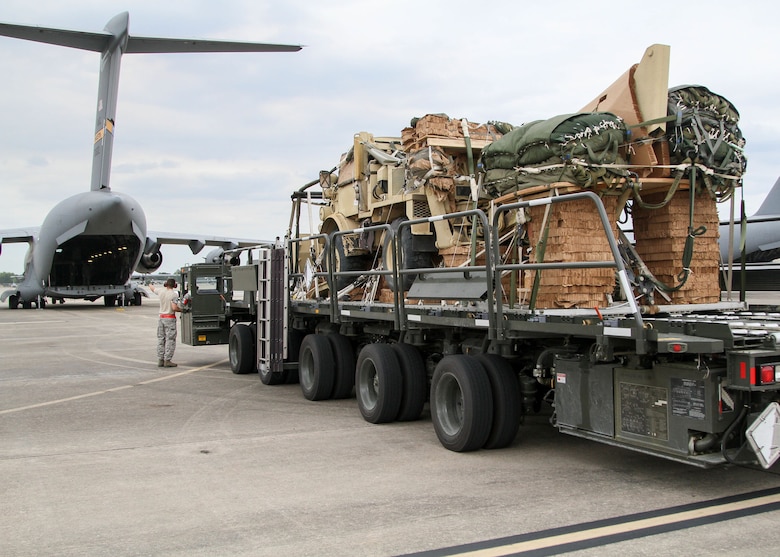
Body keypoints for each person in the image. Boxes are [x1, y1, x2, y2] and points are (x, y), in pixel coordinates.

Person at [149, 278, 182, 367]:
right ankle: (167, 360)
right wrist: (182, 310)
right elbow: (174, 308)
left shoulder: (161, 291)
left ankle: (160, 359)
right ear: (175, 285)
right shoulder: (174, 295)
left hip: (161, 318)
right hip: (170, 318)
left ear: (166, 284)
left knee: (161, 339)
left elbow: (152, 289)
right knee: (170, 339)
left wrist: (149, 284)